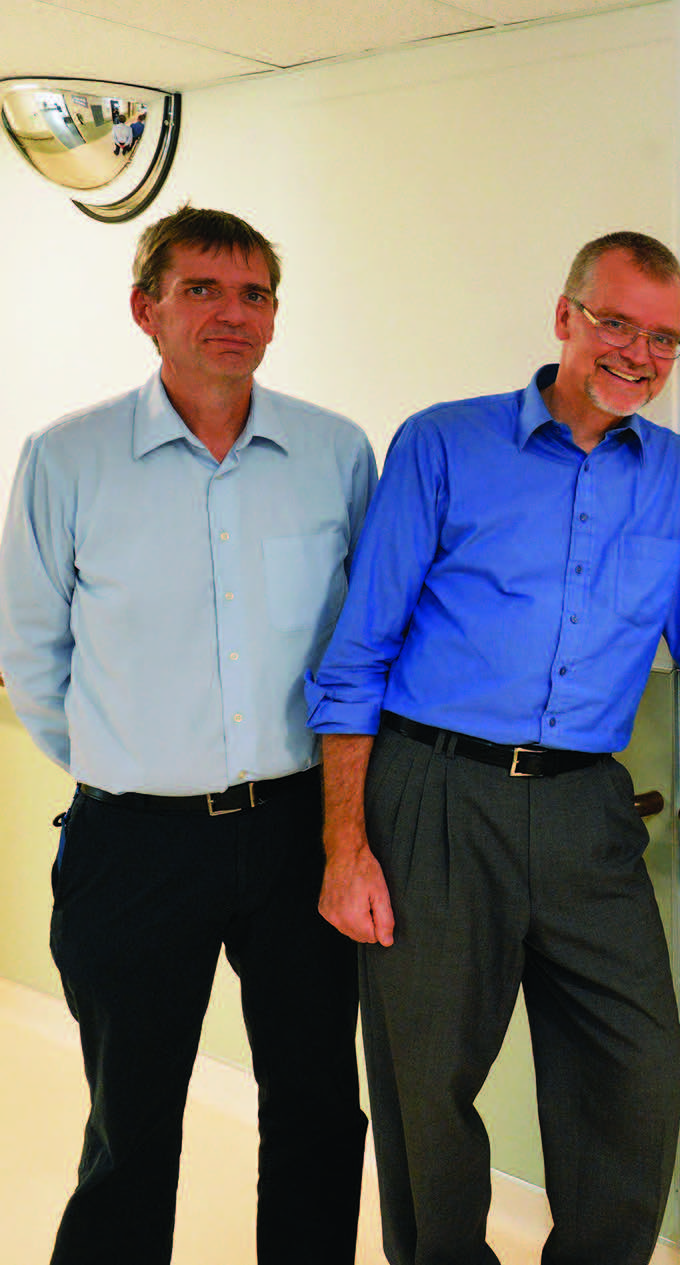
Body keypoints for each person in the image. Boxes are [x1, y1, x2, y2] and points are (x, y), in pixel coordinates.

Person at [307, 229, 680, 1265]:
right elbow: (358, 658)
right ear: (565, 316)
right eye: (617, 322)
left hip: (583, 808)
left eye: (665, 337)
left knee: (642, 1064)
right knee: (424, 1082)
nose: (639, 354)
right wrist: (346, 844)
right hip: (433, 793)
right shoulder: (442, 445)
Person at [0, 205, 374, 1265]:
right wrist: (131, 764)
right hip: (137, 842)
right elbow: (32, 652)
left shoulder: (335, 454)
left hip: (300, 827)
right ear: (145, 308)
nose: (232, 314)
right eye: (202, 289)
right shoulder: (68, 459)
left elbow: (358, 645)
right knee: (133, 1117)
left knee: (315, 1101)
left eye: (254, 293)